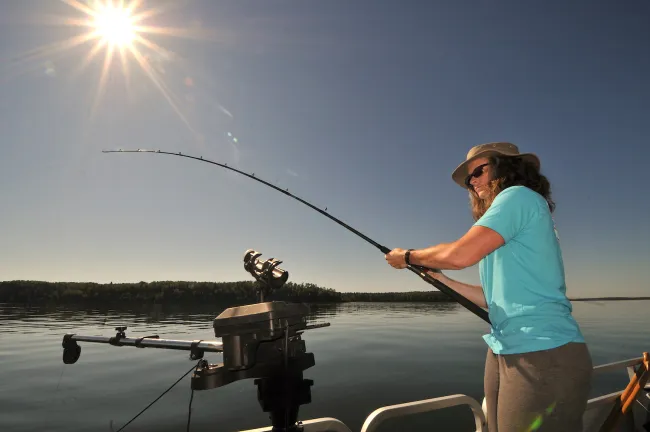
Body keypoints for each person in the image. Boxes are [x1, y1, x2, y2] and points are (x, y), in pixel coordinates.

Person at [385, 142, 592, 432]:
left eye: (478, 172)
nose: (472, 182)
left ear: (505, 168)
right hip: (504, 348)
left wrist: (407, 257)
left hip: (543, 353)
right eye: (469, 179)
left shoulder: (517, 197)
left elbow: (459, 255)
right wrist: (440, 278)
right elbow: (490, 298)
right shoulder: (507, 226)